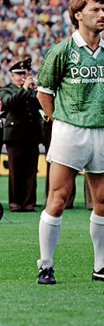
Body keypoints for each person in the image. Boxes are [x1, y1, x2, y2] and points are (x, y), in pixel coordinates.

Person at [35, 0, 104, 284]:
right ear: (78, 15)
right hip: (69, 130)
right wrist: (62, 119)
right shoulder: (62, 50)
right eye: (95, 10)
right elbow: (44, 93)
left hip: (103, 130)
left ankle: (101, 266)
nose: (103, 15)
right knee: (58, 197)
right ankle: (46, 264)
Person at [1, 58, 43, 213]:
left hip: (32, 135)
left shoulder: (32, 91)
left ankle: (29, 203)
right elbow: (9, 102)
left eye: (23, 74)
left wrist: (39, 91)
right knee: (15, 172)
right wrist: (24, 89)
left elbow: (41, 105)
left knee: (31, 172)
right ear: (12, 76)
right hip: (15, 137)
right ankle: (15, 203)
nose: (21, 77)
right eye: (17, 74)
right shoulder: (7, 89)